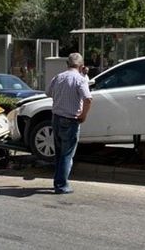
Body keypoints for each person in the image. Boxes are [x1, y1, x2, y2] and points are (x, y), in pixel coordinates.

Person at [46, 52, 93, 194]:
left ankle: (58, 181)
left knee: (59, 153)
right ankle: (61, 185)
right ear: (81, 66)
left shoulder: (58, 77)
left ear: (67, 64)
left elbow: (48, 93)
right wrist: (83, 115)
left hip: (56, 118)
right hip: (71, 120)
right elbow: (88, 99)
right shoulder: (80, 80)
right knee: (67, 154)